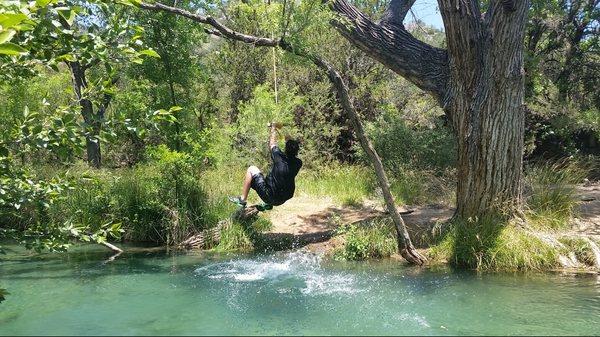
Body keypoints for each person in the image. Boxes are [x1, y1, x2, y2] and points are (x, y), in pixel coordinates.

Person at [228, 122, 302, 208]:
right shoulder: (298, 163)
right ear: (297, 151)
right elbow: (290, 144)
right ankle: (268, 204)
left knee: (251, 169)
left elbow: (272, 143)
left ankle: (242, 199)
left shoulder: (279, 156)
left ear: (286, 148)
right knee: (272, 176)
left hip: (269, 196)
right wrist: (282, 128)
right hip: (282, 199)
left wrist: (273, 127)